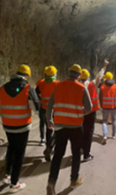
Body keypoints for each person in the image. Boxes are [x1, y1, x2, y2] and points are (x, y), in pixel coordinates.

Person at [0, 65, 39, 193]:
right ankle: (14, 184)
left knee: (11, 148)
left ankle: (7, 176)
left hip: (8, 127)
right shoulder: (28, 88)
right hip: (22, 127)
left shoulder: (2, 88)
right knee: (19, 153)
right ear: (27, 76)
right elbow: (36, 108)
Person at [46, 64, 92, 195]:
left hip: (60, 126)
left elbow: (50, 106)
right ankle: (73, 180)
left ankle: (51, 182)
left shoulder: (58, 86)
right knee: (76, 154)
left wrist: (50, 119)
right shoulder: (82, 88)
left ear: (68, 73)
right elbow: (89, 108)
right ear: (79, 75)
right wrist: (78, 113)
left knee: (58, 155)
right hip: (76, 127)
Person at [79, 60, 109, 162]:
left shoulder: (77, 85)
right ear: (87, 77)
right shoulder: (91, 84)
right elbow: (99, 77)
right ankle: (86, 154)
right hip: (90, 112)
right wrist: (104, 66)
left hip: (80, 113)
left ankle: (81, 148)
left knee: (81, 131)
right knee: (89, 133)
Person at [36, 66, 60, 162]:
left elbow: (36, 93)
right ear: (54, 74)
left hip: (44, 109)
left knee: (48, 129)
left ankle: (48, 146)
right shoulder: (57, 84)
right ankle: (50, 147)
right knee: (58, 130)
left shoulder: (41, 83)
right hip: (55, 110)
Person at [100, 72, 116, 144]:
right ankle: (113, 135)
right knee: (114, 120)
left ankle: (105, 135)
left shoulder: (102, 87)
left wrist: (101, 104)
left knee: (104, 121)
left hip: (105, 106)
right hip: (114, 106)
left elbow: (100, 97)